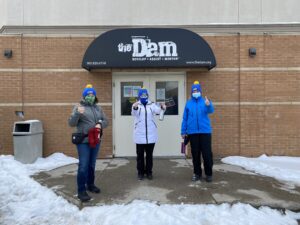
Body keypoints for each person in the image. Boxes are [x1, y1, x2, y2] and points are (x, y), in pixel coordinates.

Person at [68, 84, 109, 202]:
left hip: (95, 139)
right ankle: (81, 191)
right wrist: (77, 113)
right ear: (84, 96)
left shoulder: (98, 108)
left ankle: (90, 185)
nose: (90, 96)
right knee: (83, 166)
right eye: (88, 95)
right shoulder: (79, 107)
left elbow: (106, 121)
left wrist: (100, 123)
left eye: (92, 94)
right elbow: (71, 124)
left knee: (92, 165)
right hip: (84, 142)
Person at [181, 81, 214, 182]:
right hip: (193, 132)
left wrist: (208, 105)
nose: (195, 92)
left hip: (205, 132)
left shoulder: (205, 101)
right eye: (193, 91)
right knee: (195, 154)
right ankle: (197, 173)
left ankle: (208, 174)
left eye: (197, 90)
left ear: (200, 91)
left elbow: (211, 111)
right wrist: (183, 131)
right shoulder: (188, 103)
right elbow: (185, 118)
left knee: (207, 154)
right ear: (191, 92)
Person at [131, 87, 166, 180]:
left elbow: (158, 111)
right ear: (139, 96)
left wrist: (162, 108)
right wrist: (134, 107)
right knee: (140, 156)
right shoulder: (136, 105)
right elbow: (134, 113)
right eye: (142, 95)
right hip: (139, 135)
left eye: (145, 95)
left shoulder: (152, 105)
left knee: (149, 156)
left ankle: (149, 172)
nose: (144, 96)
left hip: (151, 135)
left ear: (147, 95)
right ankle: (140, 172)